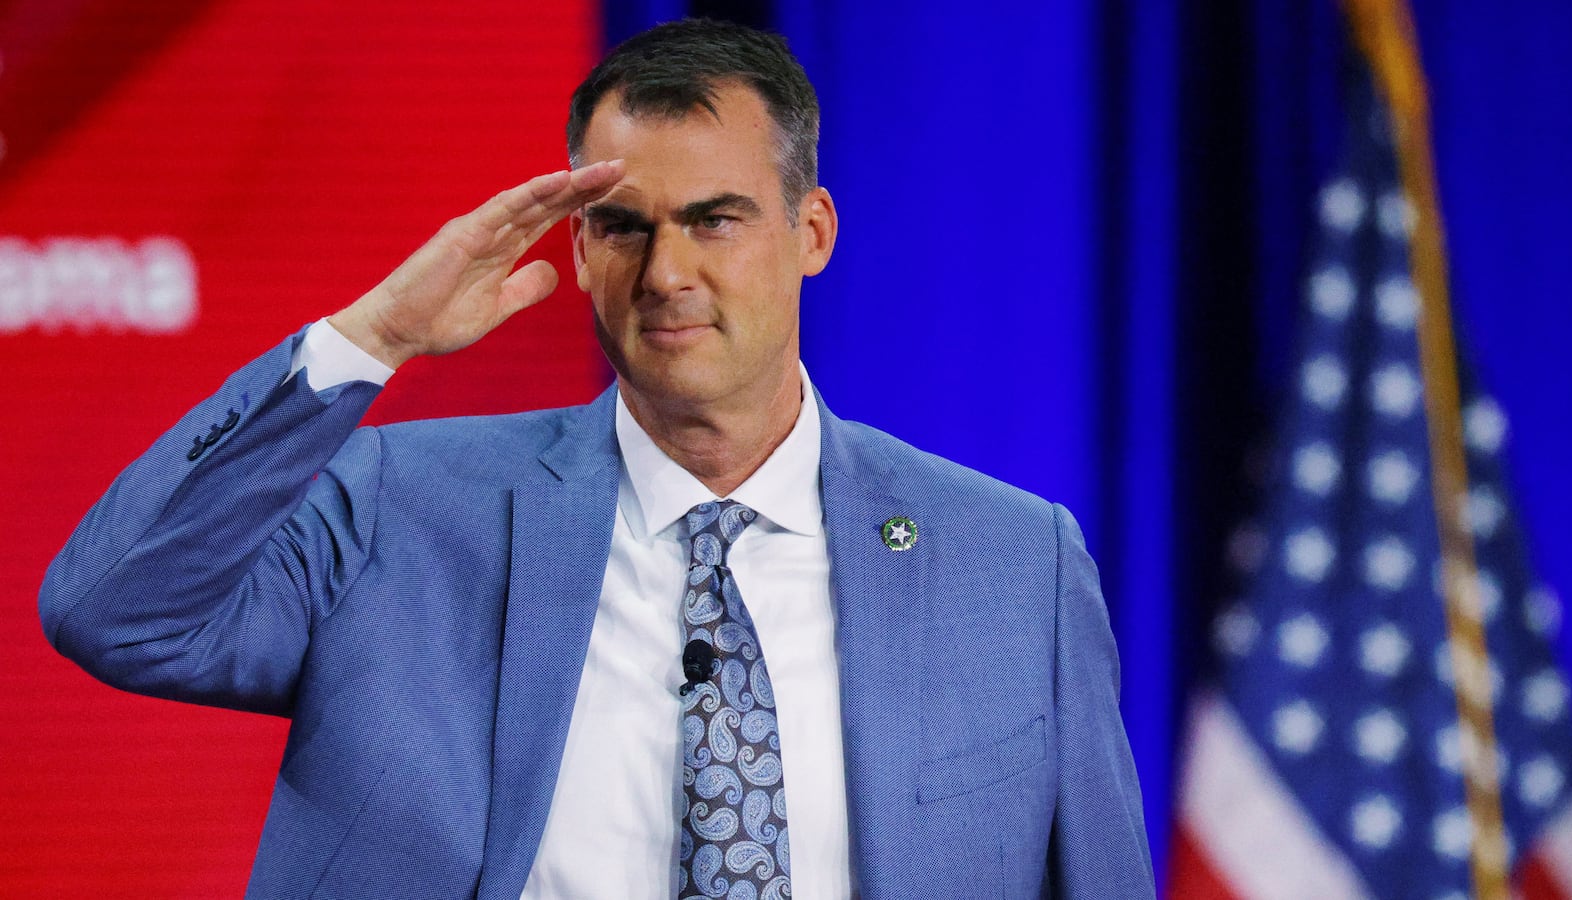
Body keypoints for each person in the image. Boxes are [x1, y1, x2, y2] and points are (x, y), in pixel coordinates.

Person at [40, 18, 1153, 900]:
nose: (666, 272)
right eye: (626, 227)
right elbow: (114, 610)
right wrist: (369, 338)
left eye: (714, 220)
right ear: (577, 250)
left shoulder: (1014, 563)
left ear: (810, 234)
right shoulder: (399, 508)